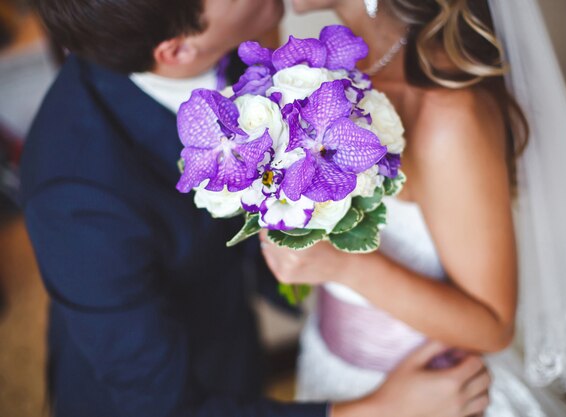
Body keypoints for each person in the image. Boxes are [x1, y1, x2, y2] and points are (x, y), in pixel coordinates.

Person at [21, 0, 493, 416]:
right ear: (178, 49)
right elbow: (163, 408)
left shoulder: (240, 39)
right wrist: (379, 412)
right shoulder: (77, 199)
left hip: (236, 339)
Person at [262, 0, 566, 415]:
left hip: (438, 395)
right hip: (332, 371)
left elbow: (493, 327)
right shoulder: (326, 75)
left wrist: (341, 265)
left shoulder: (443, 113)